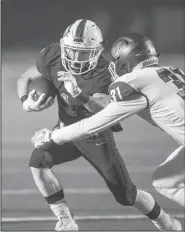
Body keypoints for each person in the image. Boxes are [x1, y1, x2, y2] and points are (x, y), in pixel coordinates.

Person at [18, 21, 181, 231]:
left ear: (97, 51)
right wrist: (25, 100)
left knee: (126, 196)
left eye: (84, 54)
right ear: (63, 47)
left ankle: (166, 222)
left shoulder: (106, 72)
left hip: (96, 137)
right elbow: (27, 76)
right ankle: (65, 220)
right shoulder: (53, 55)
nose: (76, 59)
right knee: (38, 161)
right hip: (64, 129)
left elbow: (105, 111)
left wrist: (80, 95)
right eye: (72, 52)